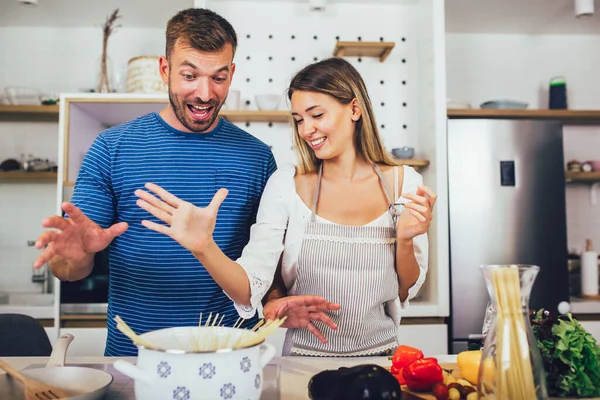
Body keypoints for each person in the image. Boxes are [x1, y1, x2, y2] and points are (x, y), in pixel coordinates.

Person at [135, 57, 437, 356]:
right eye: (299, 119)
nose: (307, 130)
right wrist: (204, 247)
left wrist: (405, 239)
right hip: (303, 361)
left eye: (316, 115)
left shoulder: (404, 183)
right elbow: (250, 286)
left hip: (382, 358)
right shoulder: (287, 184)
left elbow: (405, 288)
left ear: (355, 109)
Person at [32, 8, 276, 356]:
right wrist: (77, 254)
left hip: (231, 357)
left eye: (218, 78)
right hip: (135, 360)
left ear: (232, 73)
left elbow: (267, 271)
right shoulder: (112, 148)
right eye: (190, 75)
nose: (205, 93)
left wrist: (282, 298)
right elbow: (67, 270)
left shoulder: (257, 157)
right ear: (165, 69)